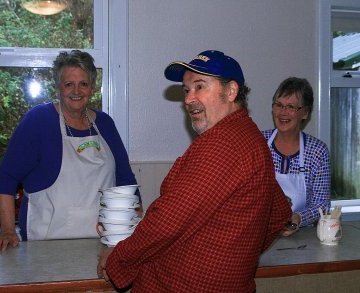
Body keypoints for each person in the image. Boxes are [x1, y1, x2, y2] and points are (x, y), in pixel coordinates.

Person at [97, 50, 292, 292]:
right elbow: (279, 211)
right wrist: (236, 253)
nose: (189, 99)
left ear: (231, 91)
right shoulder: (251, 137)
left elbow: (166, 223)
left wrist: (118, 258)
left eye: (200, 87)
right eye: (186, 90)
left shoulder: (221, 143)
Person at [0, 50, 139, 252]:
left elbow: (126, 181)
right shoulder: (38, 121)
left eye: (83, 84)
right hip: (45, 246)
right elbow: (7, 178)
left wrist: (138, 228)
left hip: (104, 244)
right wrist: (7, 231)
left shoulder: (105, 124)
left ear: (92, 88)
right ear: (58, 87)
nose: (76, 91)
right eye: (69, 84)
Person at [262, 77, 331, 236]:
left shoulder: (317, 151)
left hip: (302, 237)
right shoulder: (259, 143)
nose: (282, 112)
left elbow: (322, 204)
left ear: (305, 113)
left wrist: (299, 218)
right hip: (260, 234)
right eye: (278, 105)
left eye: (291, 107)